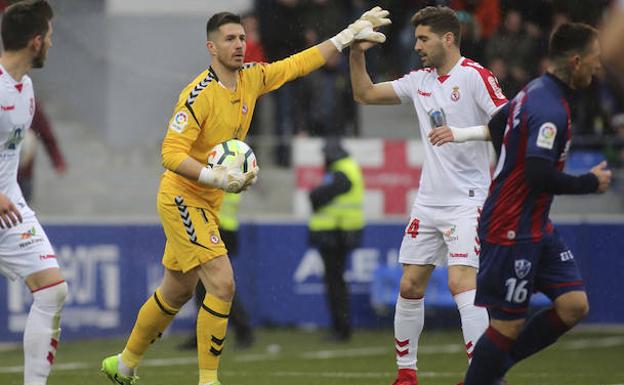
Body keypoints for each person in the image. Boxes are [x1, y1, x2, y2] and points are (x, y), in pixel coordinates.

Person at [100, 7, 390, 385]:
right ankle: (208, 381)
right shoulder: (198, 94)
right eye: (230, 39)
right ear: (211, 47)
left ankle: (123, 365)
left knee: (176, 291)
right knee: (222, 282)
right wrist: (214, 176)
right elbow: (170, 154)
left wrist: (345, 36)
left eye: (241, 38)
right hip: (182, 198)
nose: (239, 45)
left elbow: (298, 65)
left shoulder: (252, 78)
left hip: (208, 201)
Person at [429, 22, 610, 385]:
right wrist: (590, 182)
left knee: (574, 305)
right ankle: (481, 377)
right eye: (595, 58)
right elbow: (537, 175)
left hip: (535, 224)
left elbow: (499, 127)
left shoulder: (537, 90)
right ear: (576, 61)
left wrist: (506, 171)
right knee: (507, 323)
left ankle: (493, 369)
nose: (599, 66)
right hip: (510, 225)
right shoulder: (549, 108)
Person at [349, 6, 508, 385]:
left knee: (460, 283)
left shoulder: (474, 76)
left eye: (423, 39)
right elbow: (364, 93)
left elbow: (509, 124)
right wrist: (356, 52)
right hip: (429, 201)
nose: (417, 45)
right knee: (410, 285)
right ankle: (406, 374)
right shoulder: (419, 81)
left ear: (447, 39)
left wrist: (461, 132)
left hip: (468, 200)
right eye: (417, 38)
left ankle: (482, 377)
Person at [0, 2, 68, 385]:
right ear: (36, 41)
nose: (52, 45)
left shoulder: (24, 89)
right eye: (51, 37)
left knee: (52, 290)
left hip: (11, 209)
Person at [179, 192, 254, 350]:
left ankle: (242, 329)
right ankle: (204, 334)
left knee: (217, 286)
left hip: (216, 229)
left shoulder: (217, 172)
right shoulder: (228, 172)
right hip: (221, 229)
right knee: (208, 286)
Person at [308, 139, 365, 342]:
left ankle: (340, 329)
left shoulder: (341, 170)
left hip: (336, 233)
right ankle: (341, 328)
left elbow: (322, 194)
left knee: (335, 284)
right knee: (336, 283)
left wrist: (313, 195)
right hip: (340, 233)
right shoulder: (348, 167)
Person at [18, 100, 67, 203]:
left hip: (23, 175)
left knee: (21, 211)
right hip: (5, 174)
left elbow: (47, 135)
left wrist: (58, 160)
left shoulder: (31, 104)